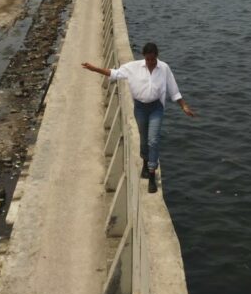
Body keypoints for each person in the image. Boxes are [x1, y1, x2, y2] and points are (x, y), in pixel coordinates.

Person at [82, 42, 195, 193]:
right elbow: (114, 73)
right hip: (140, 108)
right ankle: (145, 161)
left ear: (157, 56)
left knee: (153, 140)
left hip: (156, 108)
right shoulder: (133, 67)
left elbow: (173, 90)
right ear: (144, 57)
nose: (150, 62)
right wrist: (94, 69)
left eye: (153, 59)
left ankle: (152, 174)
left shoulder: (164, 68)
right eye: (148, 59)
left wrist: (184, 106)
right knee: (144, 138)